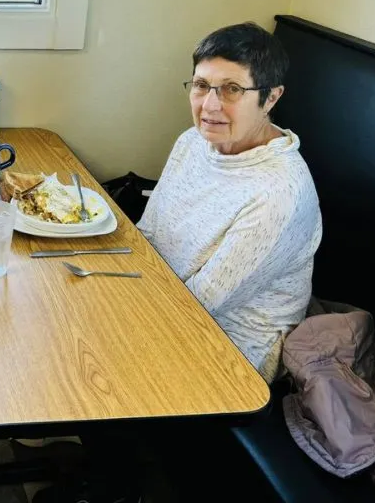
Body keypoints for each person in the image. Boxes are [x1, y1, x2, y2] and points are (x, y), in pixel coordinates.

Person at [138, 22, 322, 382]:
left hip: (230, 352)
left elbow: (199, 306)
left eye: (232, 90)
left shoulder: (278, 193)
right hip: (162, 302)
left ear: (271, 98)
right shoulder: (193, 141)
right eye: (202, 85)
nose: (209, 106)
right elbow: (148, 235)